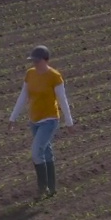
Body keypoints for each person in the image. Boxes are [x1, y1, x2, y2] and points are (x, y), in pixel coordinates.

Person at [8, 45, 74, 198]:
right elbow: (23, 96)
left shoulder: (54, 76)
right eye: (33, 61)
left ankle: (42, 188)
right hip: (34, 120)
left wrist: (69, 122)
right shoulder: (30, 74)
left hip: (50, 120)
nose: (35, 64)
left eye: (37, 61)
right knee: (46, 152)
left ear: (46, 60)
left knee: (36, 152)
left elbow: (62, 100)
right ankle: (52, 188)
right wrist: (13, 117)